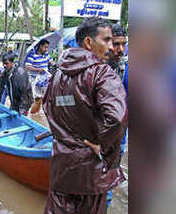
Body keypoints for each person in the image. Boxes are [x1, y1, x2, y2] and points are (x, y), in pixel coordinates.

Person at [43, 17, 128, 214]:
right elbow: (117, 119)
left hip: (62, 167)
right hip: (91, 172)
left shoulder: (57, 73)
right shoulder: (102, 73)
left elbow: (48, 109)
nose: (111, 47)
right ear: (89, 43)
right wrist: (103, 148)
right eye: (106, 40)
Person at [106, 23, 129, 209]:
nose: (120, 49)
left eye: (124, 44)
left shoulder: (126, 68)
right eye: (116, 44)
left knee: (109, 180)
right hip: (95, 138)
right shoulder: (94, 67)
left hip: (118, 135)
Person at [0, 51, 33, 116]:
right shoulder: (5, 73)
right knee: (13, 111)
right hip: (14, 100)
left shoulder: (21, 74)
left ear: (12, 63)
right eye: (3, 63)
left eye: (6, 63)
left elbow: (24, 94)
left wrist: (22, 111)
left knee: (21, 116)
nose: (4, 65)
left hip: (25, 102)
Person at [25, 38, 54, 114]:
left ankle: (36, 115)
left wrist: (52, 63)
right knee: (37, 99)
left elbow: (52, 62)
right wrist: (38, 69)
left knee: (42, 99)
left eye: (47, 47)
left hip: (44, 79)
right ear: (40, 46)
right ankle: (32, 116)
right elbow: (27, 66)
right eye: (45, 47)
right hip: (35, 79)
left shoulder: (46, 54)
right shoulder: (32, 54)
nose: (46, 49)